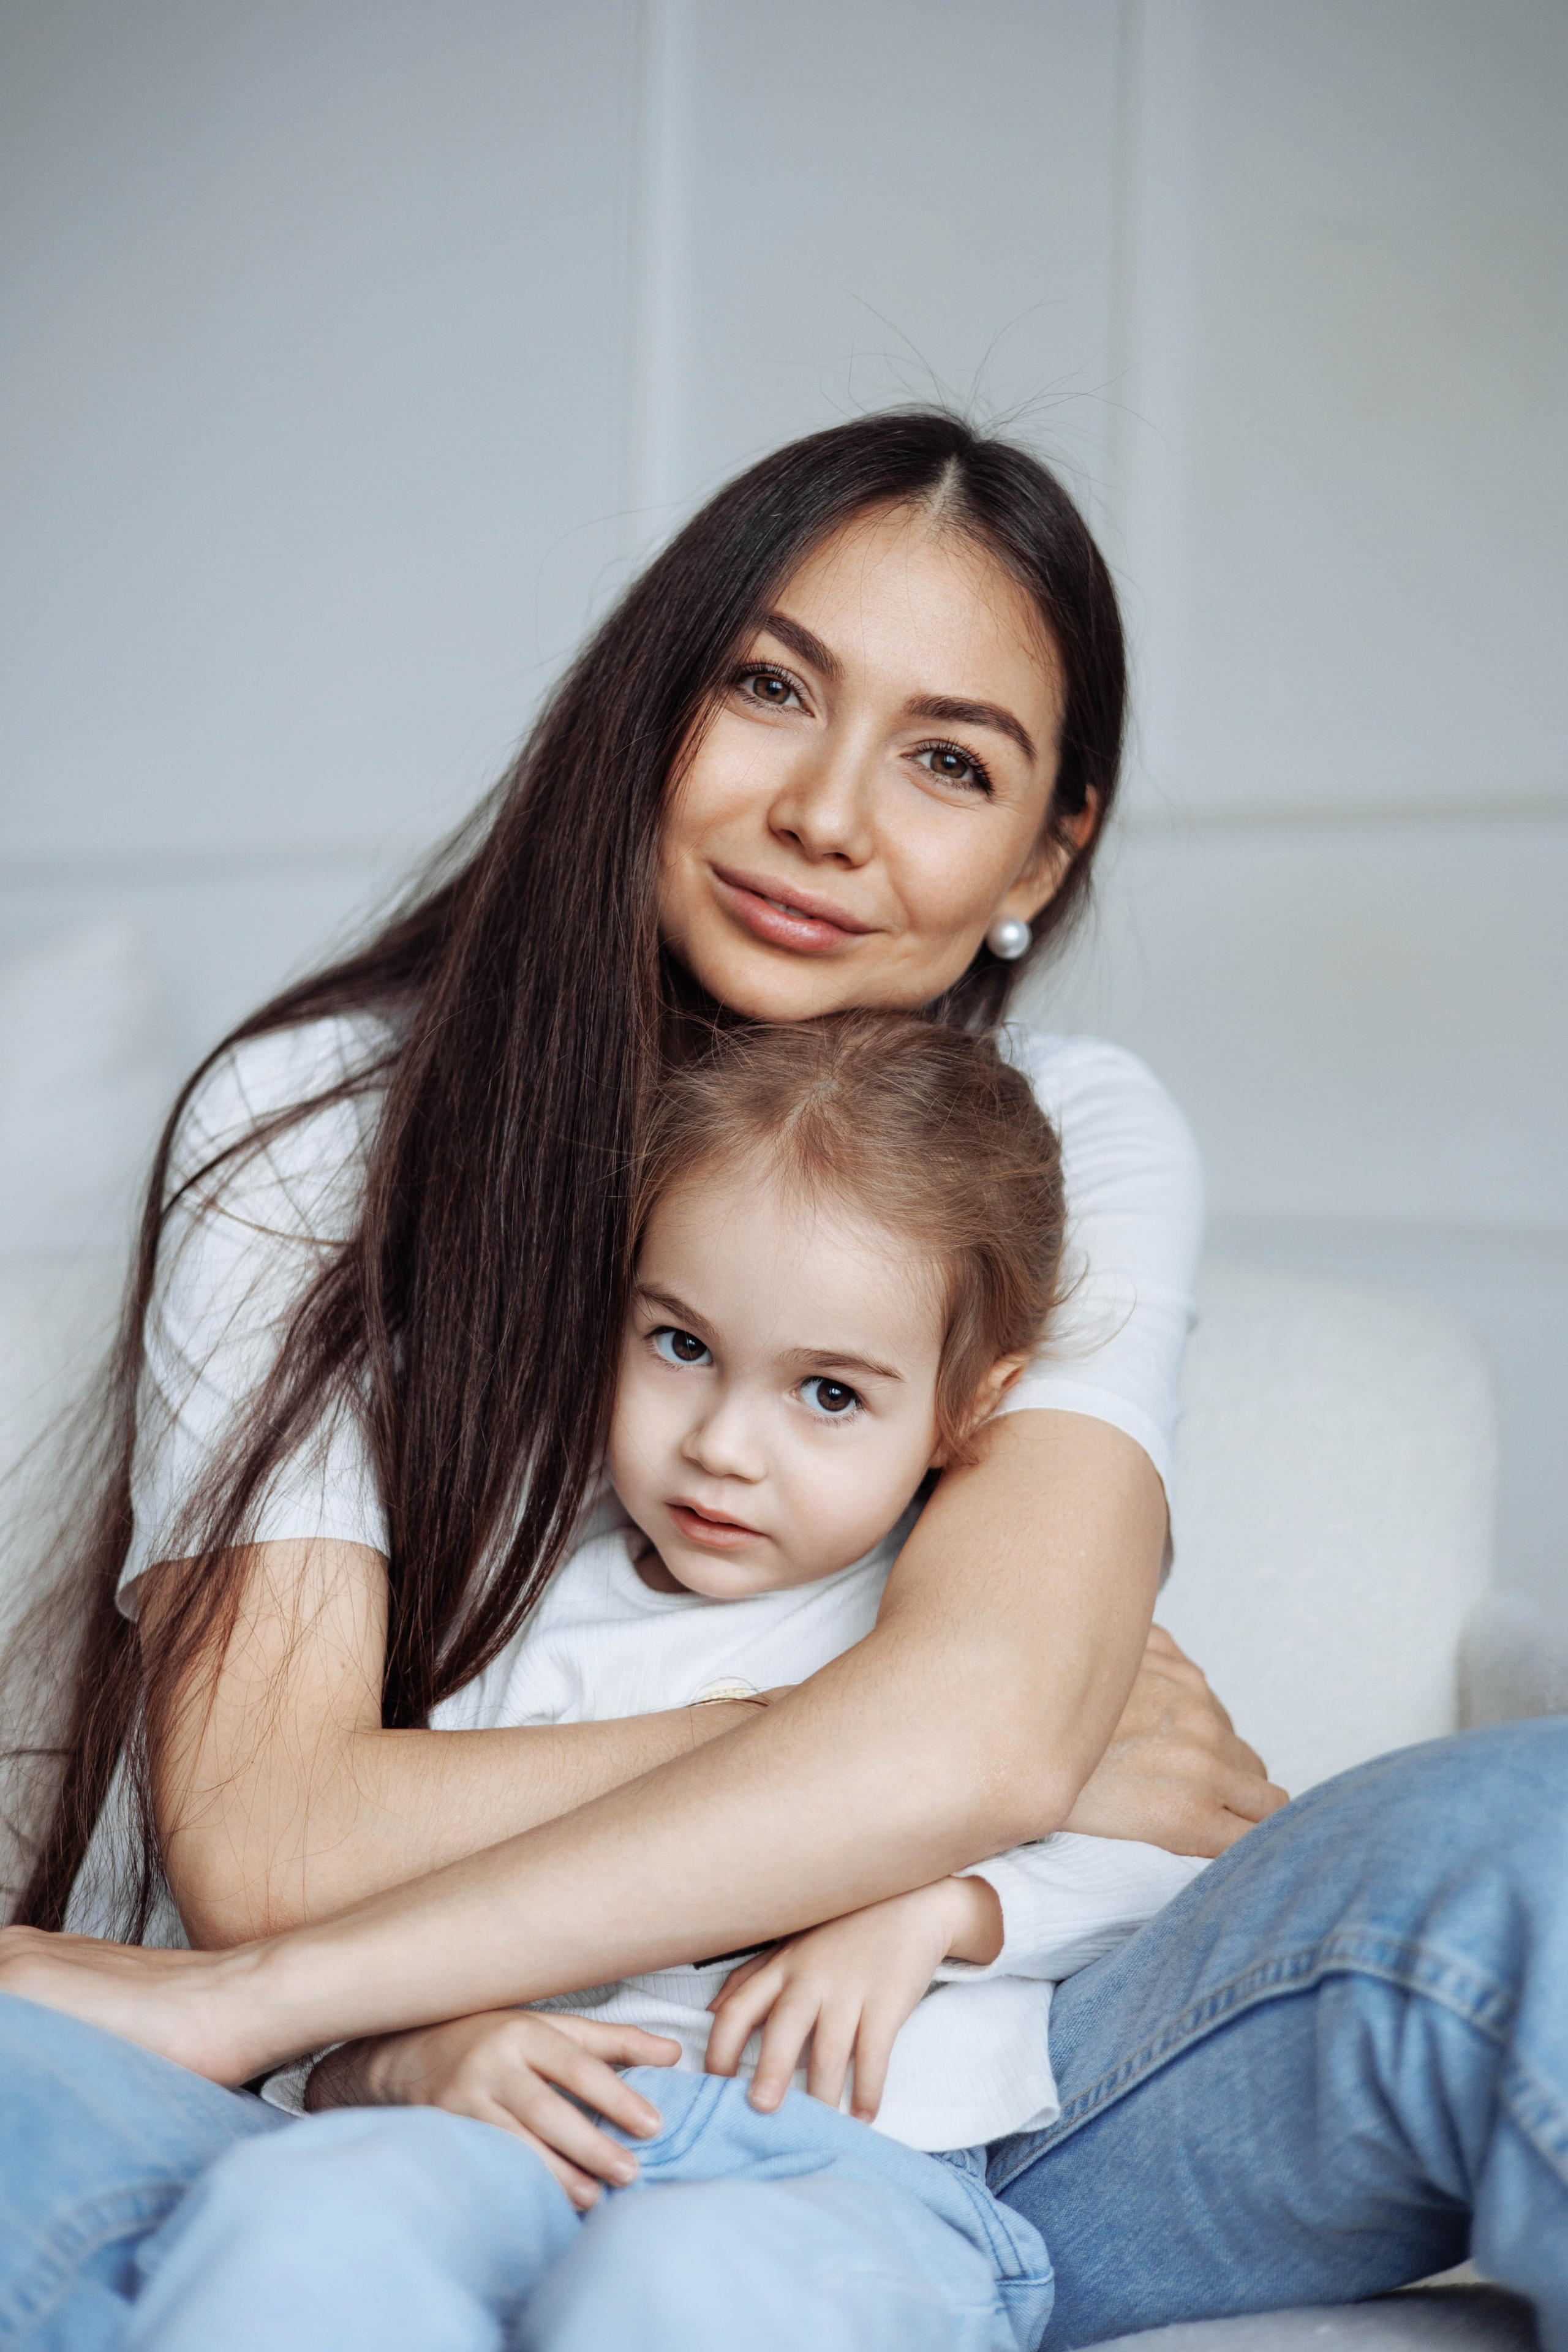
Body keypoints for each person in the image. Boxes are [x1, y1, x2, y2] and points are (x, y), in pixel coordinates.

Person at [1, 411, 1564, 2348]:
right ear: (643, 711)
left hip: (890, 2101)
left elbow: (984, 1751)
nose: (830, 813)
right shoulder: (323, 1118)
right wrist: (909, 1729)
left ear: (1044, 849)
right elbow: (272, 1843)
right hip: (400, 2069)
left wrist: (986, 1772)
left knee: (1541, 1843)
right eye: (766, 688)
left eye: (947, 760)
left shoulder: (1074, 1141)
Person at [12, 1012, 1211, 2352]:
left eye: (826, 1395)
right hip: (499, 2137)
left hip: (836, 2162)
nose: (722, 1448)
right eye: (682, 1347)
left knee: (690, 2294)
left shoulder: (957, 1630)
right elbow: (357, 1939)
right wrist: (401, 2059)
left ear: (966, 1404)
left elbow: (1162, 1873)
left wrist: (941, 1911)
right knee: (298, 2225)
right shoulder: (499, 1612)